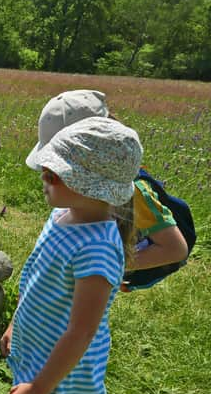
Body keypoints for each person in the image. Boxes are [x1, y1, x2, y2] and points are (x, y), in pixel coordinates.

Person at [1, 117, 143, 394]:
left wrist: (39, 389)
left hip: (64, 371)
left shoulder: (96, 249)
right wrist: (15, 322)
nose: (42, 177)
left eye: (51, 174)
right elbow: (35, 281)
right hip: (38, 346)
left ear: (87, 186)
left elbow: (82, 330)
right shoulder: (60, 216)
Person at [25, 90, 188, 285]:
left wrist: (106, 266)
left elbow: (176, 249)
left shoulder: (134, 192)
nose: (46, 173)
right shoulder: (77, 199)